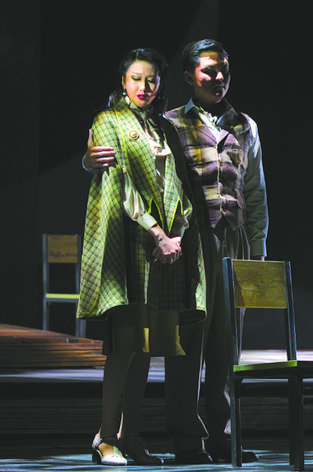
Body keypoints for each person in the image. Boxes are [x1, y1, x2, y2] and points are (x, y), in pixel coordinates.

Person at [84, 39, 267, 464]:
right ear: (188, 77)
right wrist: (88, 161)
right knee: (187, 339)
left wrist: (257, 245)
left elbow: (255, 188)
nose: (218, 78)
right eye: (209, 71)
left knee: (228, 342)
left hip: (234, 237)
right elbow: (126, 167)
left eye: (223, 70)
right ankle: (186, 438)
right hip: (191, 238)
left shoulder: (244, 125)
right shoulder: (170, 122)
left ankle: (222, 435)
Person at [78, 48, 206, 466]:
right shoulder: (109, 120)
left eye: (151, 80)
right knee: (125, 343)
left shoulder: (164, 127)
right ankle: (105, 436)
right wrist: (157, 232)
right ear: (123, 81)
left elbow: (179, 184)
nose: (144, 87)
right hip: (131, 243)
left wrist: (177, 233)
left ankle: (130, 435)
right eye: (136, 78)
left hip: (164, 249)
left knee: (148, 345)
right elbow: (120, 183)